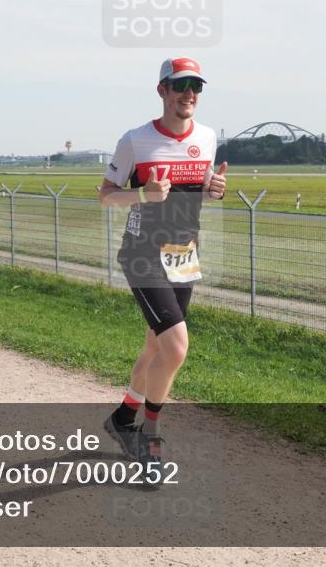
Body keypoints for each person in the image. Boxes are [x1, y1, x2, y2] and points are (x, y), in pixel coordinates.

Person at [99, 57, 227, 474]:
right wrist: (143, 195)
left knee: (156, 347)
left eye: (196, 86)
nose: (189, 93)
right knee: (175, 347)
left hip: (183, 254)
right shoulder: (136, 140)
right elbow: (105, 195)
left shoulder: (206, 138)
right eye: (181, 85)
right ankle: (149, 436)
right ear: (162, 90)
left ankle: (123, 418)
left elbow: (196, 193)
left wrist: (213, 190)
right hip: (142, 254)